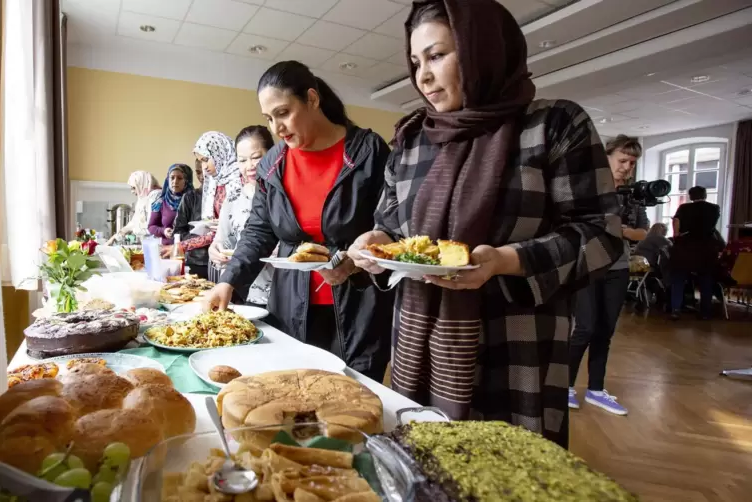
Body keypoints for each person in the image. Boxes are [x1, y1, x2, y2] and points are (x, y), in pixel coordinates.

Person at [347, 0, 623, 447]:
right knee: (423, 459)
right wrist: (375, 244)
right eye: (416, 62)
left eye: (437, 56)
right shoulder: (412, 140)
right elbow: (391, 226)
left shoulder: (552, 124)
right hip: (420, 341)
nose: (423, 76)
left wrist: (506, 260)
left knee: (508, 471)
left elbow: (602, 234)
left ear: (483, 50)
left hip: (517, 345)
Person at [203, 61, 394, 381]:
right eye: (269, 118)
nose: (277, 128)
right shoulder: (272, 165)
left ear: (312, 99)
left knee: (355, 399)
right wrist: (229, 280)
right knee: (297, 393)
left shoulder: (367, 151)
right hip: (292, 306)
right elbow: (259, 230)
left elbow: (390, 225)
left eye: (283, 113)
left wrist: (355, 261)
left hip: (358, 308)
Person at [569, 135, 648, 416]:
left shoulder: (633, 197)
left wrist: (621, 230)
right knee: (585, 327)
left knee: (605, 331)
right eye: (622, 160)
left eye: (632, 162)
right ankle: (565, 386)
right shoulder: (589, 190)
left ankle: (595, 390)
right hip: (588, 266)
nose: (627, 167)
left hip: (618, 268)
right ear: (607, 157)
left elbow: (642, 232)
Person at [208, 126, 275, 305]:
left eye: (256, 157)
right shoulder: (233, 198)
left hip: (279, 294)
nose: (250, 166)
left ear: (272, 154)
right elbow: (222, 240)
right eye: (242, 160)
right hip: (240, 293)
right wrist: (214, 250)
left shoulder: (282, 196)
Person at [164, 132, 242, 267]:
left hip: (240, 255)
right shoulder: (217, 184)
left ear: (220, 154)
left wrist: (183, 245)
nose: (204, 167)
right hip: (219, 256)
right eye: (201, 162)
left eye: (206, 159)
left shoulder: (241, 181)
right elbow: (216, 232)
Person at [669, 185, 722, 320]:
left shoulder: (684, 208)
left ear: (691, 196)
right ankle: (705, 312)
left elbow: (676, 221)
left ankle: (675, 309)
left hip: (686, 246)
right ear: (705, 195)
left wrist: (677, 235)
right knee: (706, 280)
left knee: (678, 279)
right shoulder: (714, 208)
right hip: (706, 248)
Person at [107, 171, 161, 244]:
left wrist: (133, 230)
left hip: (157, 244)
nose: (132, 192)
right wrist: (114, 237)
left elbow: (150, 226)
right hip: (148, 243)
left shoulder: (155, 196)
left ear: (142, 184)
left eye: (134, 188)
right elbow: (134, 222)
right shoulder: (143, 198)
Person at [148, 164, 193, 245]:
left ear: (187, 181)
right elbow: (151, 226)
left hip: (189, 251)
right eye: (172, 177)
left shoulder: (194, 201)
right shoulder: (160, 202)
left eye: (179, 178)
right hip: (167, 251)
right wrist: (163, 231)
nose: (175, 181)